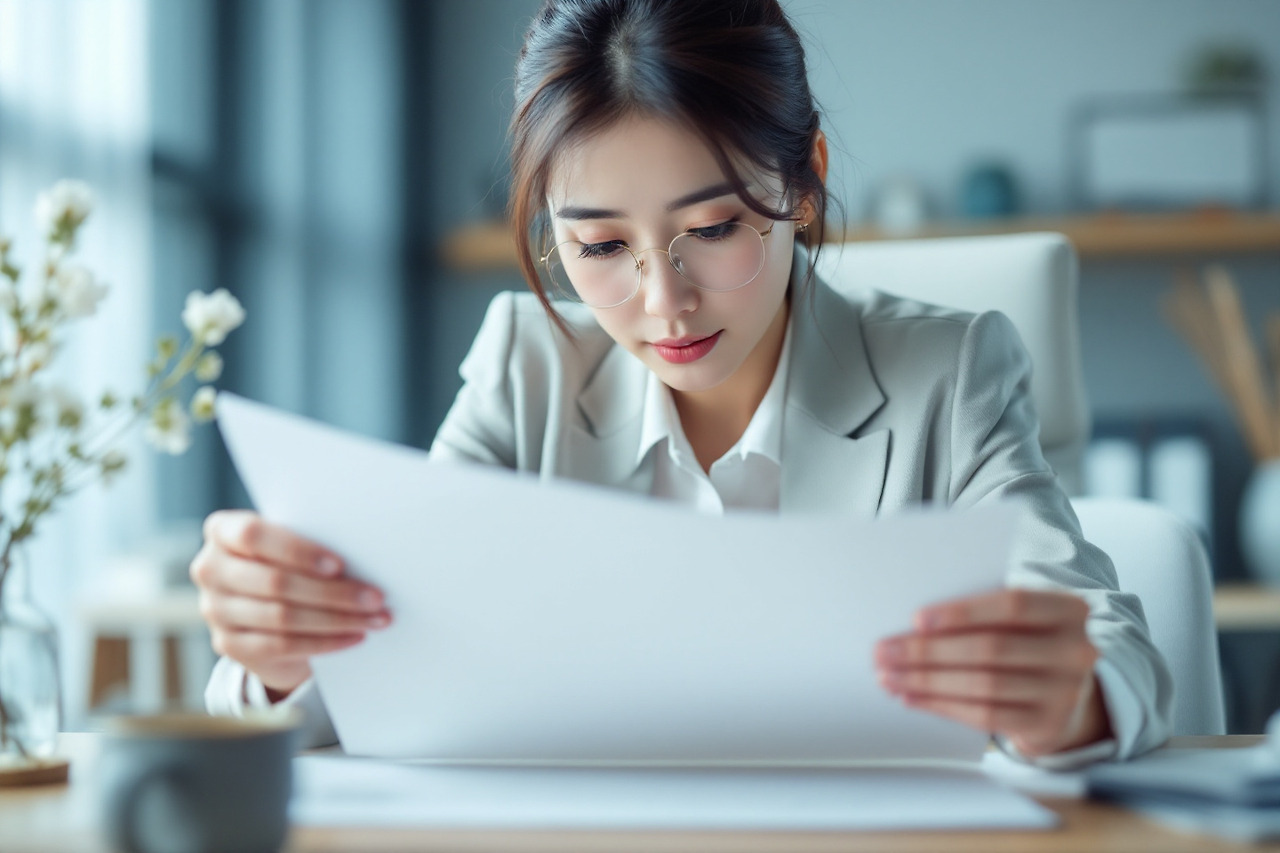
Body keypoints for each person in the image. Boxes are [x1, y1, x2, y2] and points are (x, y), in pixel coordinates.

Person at [201, 0, 1172, 765]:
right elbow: (382, 655)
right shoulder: (524, 369)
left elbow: (1113, 646)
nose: (661, 300)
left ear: (802, 181)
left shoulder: (948, 374)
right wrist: (282, 655)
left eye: (711, 230)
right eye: (597, 245)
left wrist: (1071, 695)